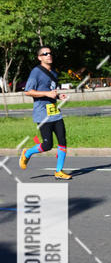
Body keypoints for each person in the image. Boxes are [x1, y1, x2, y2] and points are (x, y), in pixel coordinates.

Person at [19, 46, 71, 180]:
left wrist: (58, 96)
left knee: (63, 140)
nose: (49, 55)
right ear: (39, 57)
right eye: (45, 53)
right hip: (42, 114)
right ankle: (27, 153)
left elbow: (51, 91)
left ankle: (58, 171)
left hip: (55, 112)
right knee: (47, 145)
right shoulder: (36, 72)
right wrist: (47, 93)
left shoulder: (54, 73)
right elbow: (28, 91)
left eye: (50, 53)